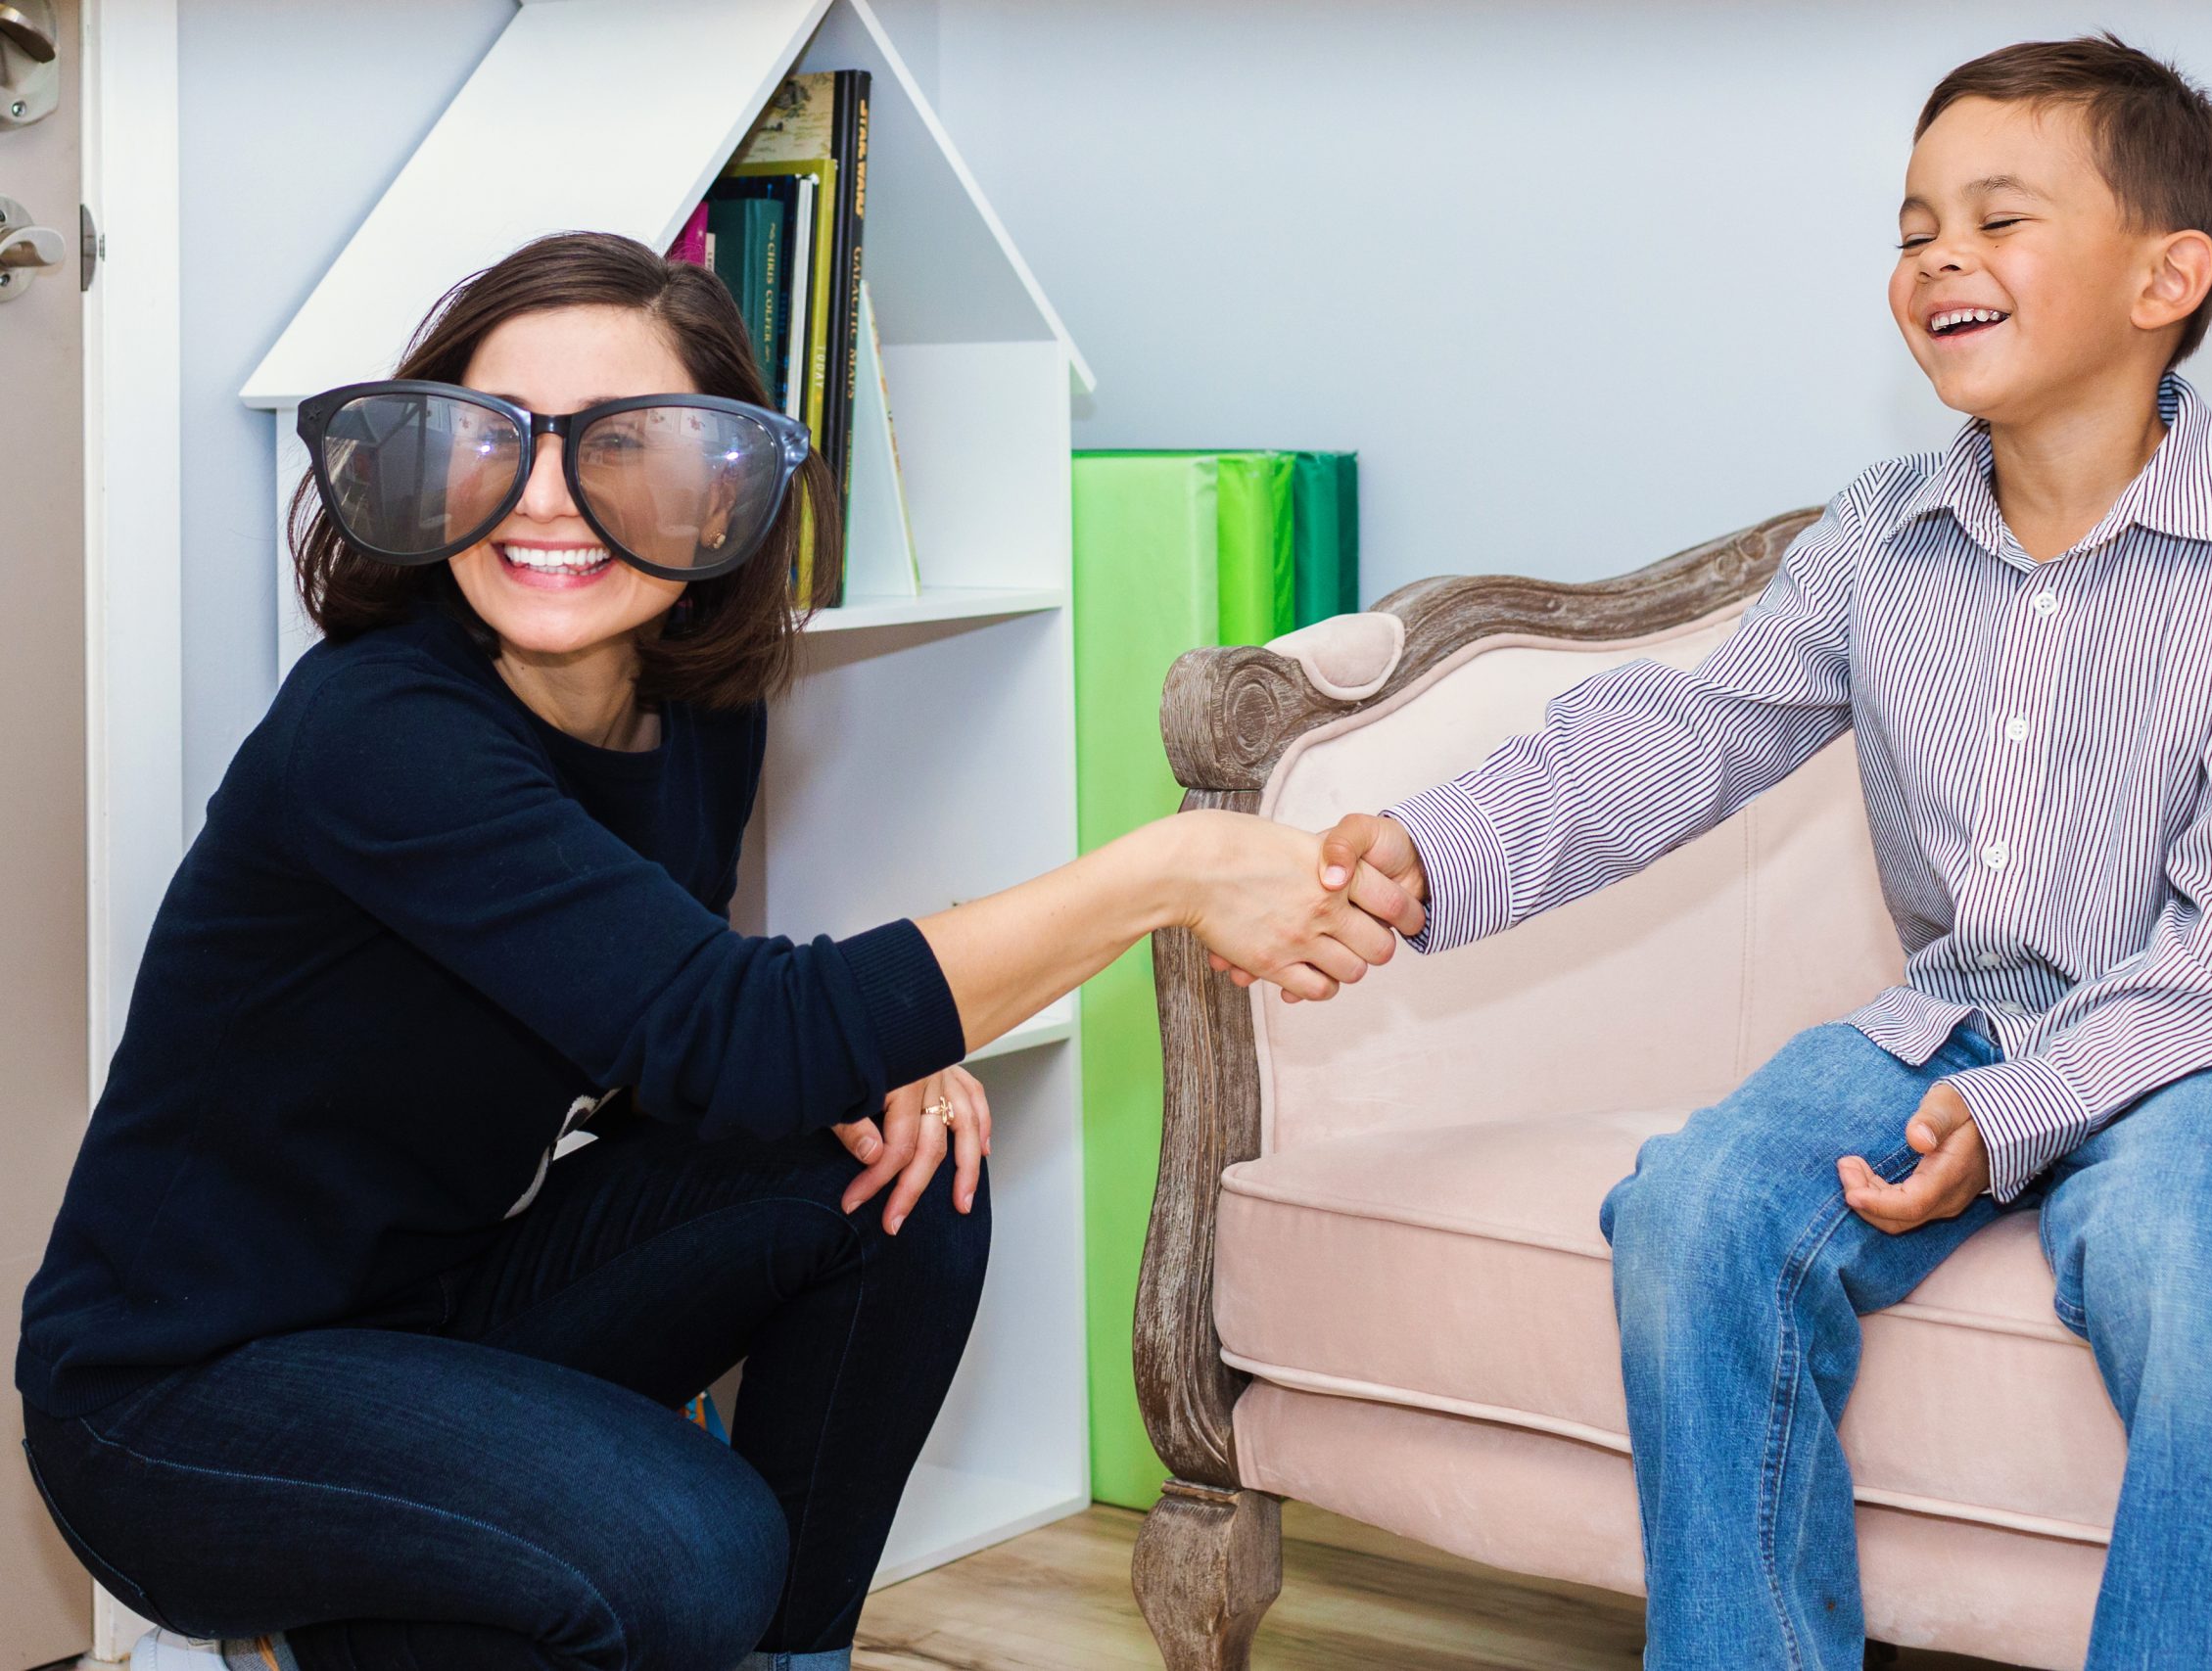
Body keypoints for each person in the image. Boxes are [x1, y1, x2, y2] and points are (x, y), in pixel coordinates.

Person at [16, 232, 1420, 1671]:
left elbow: (665, 1024)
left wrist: (877, 1058)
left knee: (897, 1174)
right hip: (181, 1400)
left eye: (623, 451)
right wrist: (1168, 869)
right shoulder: (377, 733)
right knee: (690, 1552)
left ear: (722, 491)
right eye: (498, 444)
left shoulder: (694, 714)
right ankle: (327, 1631)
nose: (547, 501)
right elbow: (732, 1029)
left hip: (439, 1317)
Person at [1251, 34, 2212, 1670]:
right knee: (1697, 1206)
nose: (1940, 255)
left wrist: (2012, 1121)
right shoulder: (1877, 537)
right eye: (1915, 224)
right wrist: (1442, 848)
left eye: (2000, 219)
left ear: (2170, 275)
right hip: (1967, 1012)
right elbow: (1690, 731)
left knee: (2177, 1233)